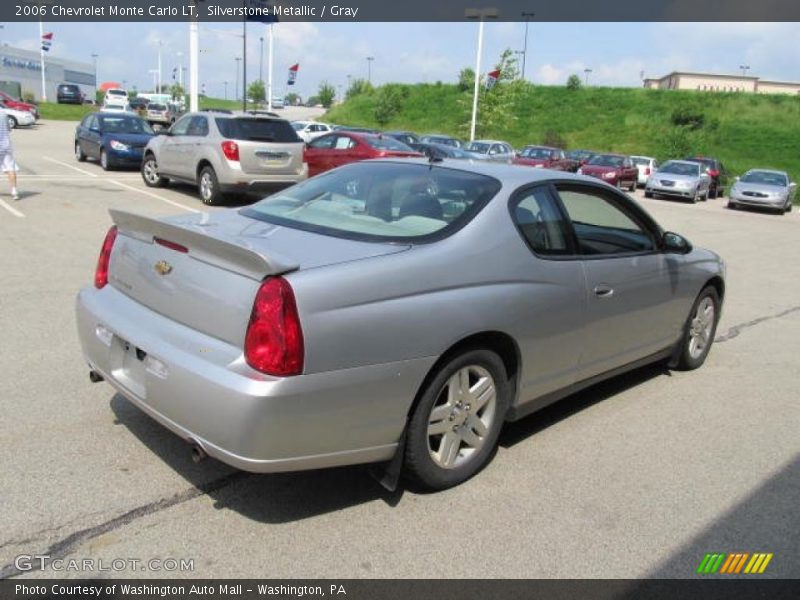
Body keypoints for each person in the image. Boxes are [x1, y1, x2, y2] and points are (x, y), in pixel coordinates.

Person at [0, 113, 20, 200]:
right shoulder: (4, 114)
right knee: (10, 168)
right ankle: (14, 191)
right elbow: (9, 128)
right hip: (7, 145)